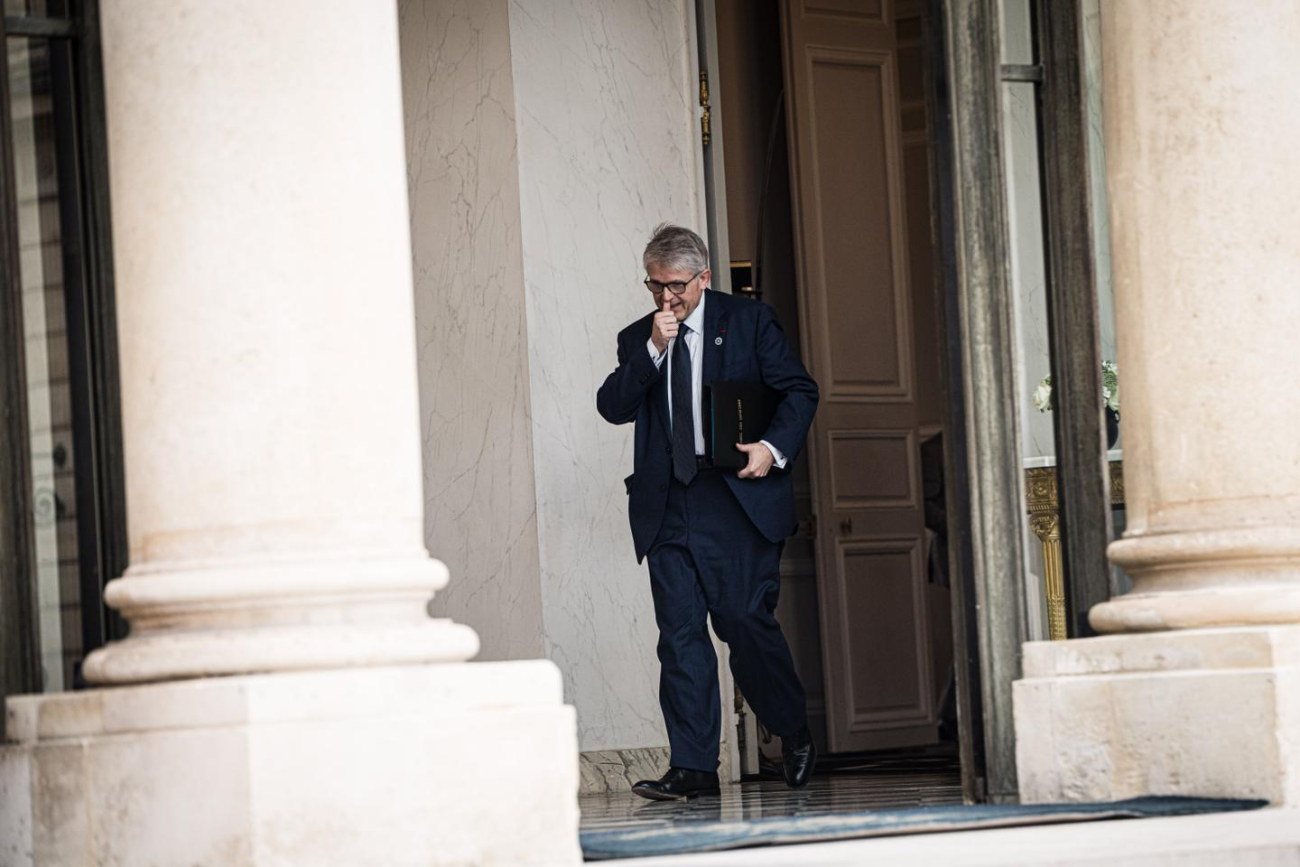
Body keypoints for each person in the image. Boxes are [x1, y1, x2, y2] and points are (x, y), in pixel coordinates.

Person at [596, 223, 820, 800]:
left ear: (704, 277)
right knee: (680, 636)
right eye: (654, 286)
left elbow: (799, 391)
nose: (665, 299)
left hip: (735, 498)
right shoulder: (639, 337)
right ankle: (694, 767)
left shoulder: (747, 322)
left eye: (676, 287)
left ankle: (790, 726)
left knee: (744, 623)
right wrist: (653, 350)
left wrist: (769, 450)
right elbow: (613, 407)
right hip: (667, 502)